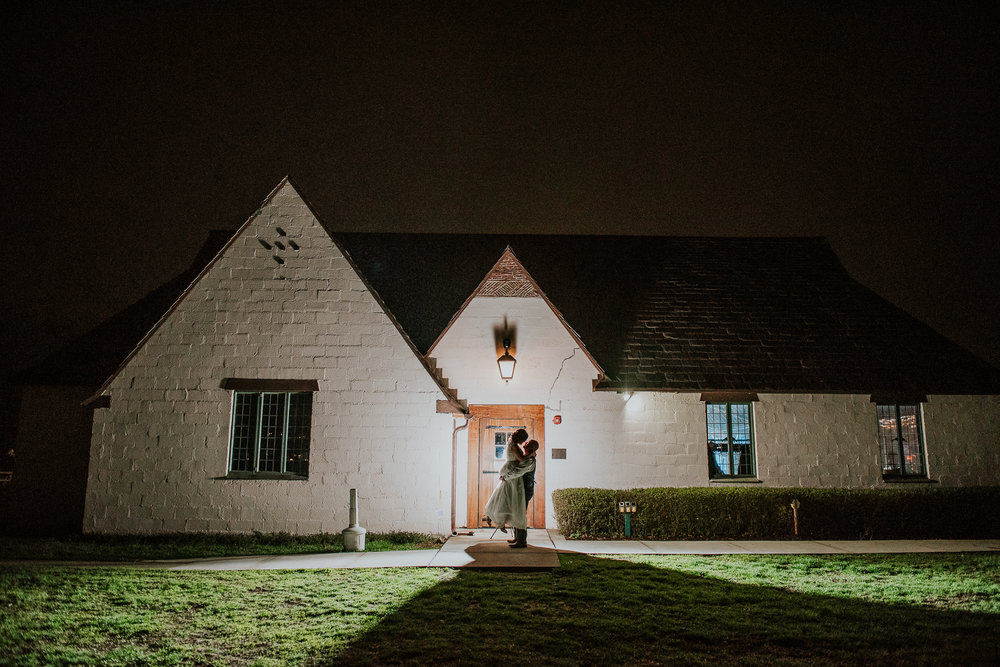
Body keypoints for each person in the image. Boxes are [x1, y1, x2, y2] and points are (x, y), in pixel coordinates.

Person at [484, 438, 538, 548]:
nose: (525, 443)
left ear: (531, 448)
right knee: (516, 511)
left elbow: (518, 472)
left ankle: (522, 541)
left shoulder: (530, 460)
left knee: (520, 513)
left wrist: (505, 477)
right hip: (521, 488)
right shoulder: (526, 457)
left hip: (526, 489)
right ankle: (517, 538)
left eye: (528, 444)